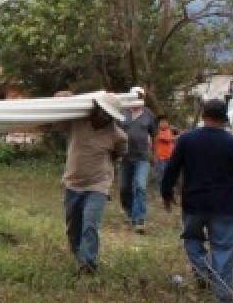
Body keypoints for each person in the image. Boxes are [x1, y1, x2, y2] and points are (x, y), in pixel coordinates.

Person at [161, 100, 233, 303]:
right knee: (224, 249)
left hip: (194, 202)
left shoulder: (187, 139)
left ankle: (205, 272)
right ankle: (222, 297)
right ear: (224, 118)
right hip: (224, 204)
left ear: (203, 115)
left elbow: (172, 168)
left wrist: (166, 192)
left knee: (192, 241)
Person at [58, 93, 128, 273]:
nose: (103, 116)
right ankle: (77, 255)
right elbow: (57, 110)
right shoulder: (77, 123)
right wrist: (64, 97)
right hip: (72, 183)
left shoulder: (118, 136)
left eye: (108, 114)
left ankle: (88, 264)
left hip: (98, 185)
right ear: (95, 108)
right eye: (101, 111)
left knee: (90, 225)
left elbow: (118, 154)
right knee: (73, 227)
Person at [119, 104, 158, 233]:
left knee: (140, 186)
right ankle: (130, 212)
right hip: (125, 157)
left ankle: (139, 220)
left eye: (141, 96)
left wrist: (155, 153)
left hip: (142, 157)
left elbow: (154, 135)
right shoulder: (122, 112)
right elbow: (114, 131)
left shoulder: (148, 114)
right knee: (124, 188)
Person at [152, 116, 177, 187]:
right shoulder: (158, 132)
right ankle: (161, 189)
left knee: (169, 174)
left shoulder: (170, 131)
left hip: (170, 157)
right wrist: (180, 136)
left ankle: (168, 188)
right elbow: (168, 139)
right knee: (162, 174)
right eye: (162, 122)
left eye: (165, 122)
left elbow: (173, 140)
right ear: (159, 124)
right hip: (161, 158)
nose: (164, 124)